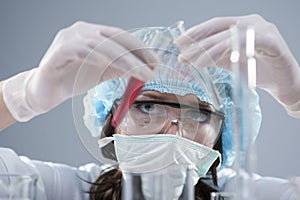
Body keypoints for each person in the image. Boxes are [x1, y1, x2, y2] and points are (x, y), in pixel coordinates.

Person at [0, 14, 299, 200]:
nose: (174, 131)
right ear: (113, 118)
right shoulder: (56, 191)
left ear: (222, 134)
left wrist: (297, 98)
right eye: (148, 107)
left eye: (198, 113)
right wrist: (20, 97)